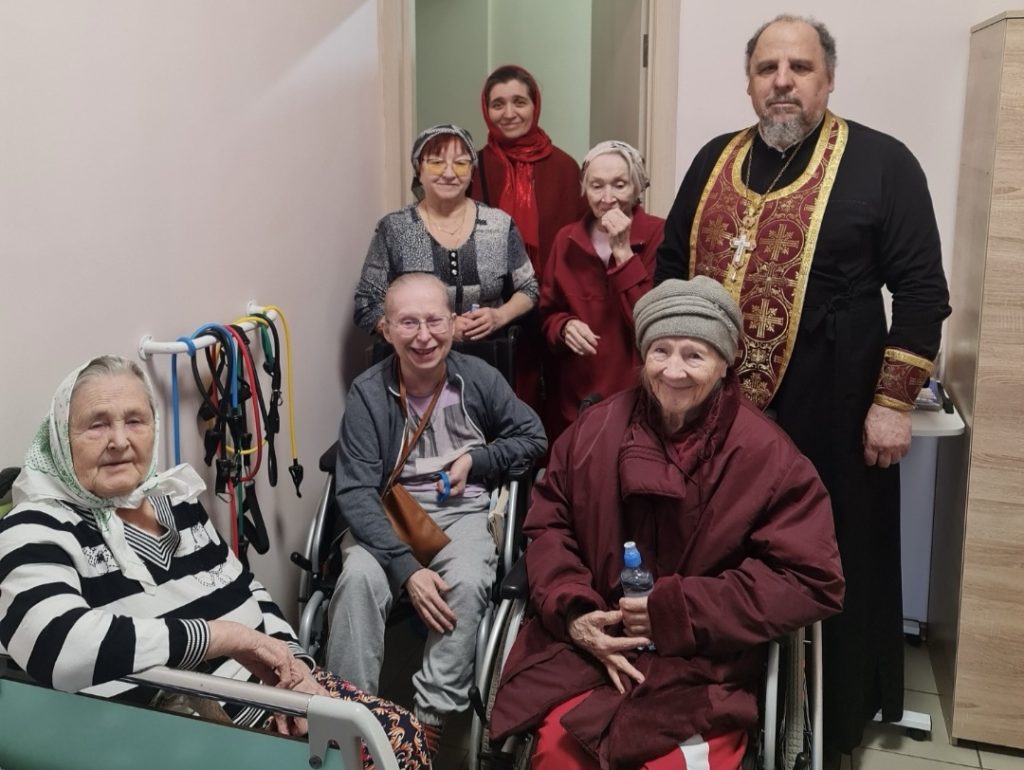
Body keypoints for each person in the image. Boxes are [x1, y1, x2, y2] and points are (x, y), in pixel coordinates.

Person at [653, 14, 952, 757]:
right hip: (719, 413)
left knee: (831, 554)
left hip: (836, 409)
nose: (782, 82)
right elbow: (670, 268)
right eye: (767, 69)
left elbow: (921, 293)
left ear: (829, 78)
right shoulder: (714, 159)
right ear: (749, 81)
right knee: (719, 547)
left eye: (800, 68)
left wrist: (892, 404)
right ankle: (721, 710)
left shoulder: (884, 163)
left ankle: (831, 721)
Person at [0, 356, 429, 770]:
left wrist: (293, 670)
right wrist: (226, 638)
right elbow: (56, 643)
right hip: (173, 726)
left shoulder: (176, 501)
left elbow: (248, 589)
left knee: (400, 734)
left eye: (135, 420)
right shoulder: (35, 526)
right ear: (61, 437)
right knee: (378, 749)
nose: (119, 440)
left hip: (266, 694)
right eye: (96, 425)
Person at [489, 278, 845, 770]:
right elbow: (549, 526)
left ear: (725, 363)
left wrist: (676, 613)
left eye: (694, 354)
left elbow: (811, 579)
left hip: (704, 665)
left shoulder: (769, 458)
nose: (673, 370)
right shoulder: (592, 433)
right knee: (558, 755)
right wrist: (573, 612)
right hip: (589, 653)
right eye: (660, 350)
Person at [328, 273, 546, 754]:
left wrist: (478, 460)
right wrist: (407, 570)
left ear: (453, 322)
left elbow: (533, 437)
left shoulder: (479, 379)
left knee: (467, 582)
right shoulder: (368, 392)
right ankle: (350, 719)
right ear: (387, 330)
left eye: (434, 321)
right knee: (357, 580)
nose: (423, 336)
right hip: (388, 514)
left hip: (461, 511)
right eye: (408, 323)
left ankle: (425, 726)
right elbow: (356, 491)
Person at [354, 123, 538, 344]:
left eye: (460, 163)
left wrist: (500, 316)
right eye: (436, 163)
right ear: (419, 170)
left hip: (487, 355)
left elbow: (529, 288)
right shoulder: (395, 228)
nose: (449, 173)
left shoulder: (499, 224)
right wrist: (431, 329)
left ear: (472, 171)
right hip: (416, 354)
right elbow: (366, 304)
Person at [470, 65, 587, 412]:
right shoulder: (473, 168)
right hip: (492, 313)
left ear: (535, 105)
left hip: (552, 310)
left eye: (519, 102)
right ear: (486, 110)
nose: (509, 113)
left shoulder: (565, 168)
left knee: (552, 401)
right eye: (498, 104)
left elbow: (580, 243)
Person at [540, 140, 664, 440]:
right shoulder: (566, 239)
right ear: (585, 189)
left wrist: (622, 251)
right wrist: (563, 326)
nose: (608, 198)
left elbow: (651, 322)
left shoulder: (659, 234)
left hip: (638, 394)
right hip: (577, 395)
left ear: (637, 187)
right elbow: (547, 313)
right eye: (597, 186)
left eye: (619, 185)